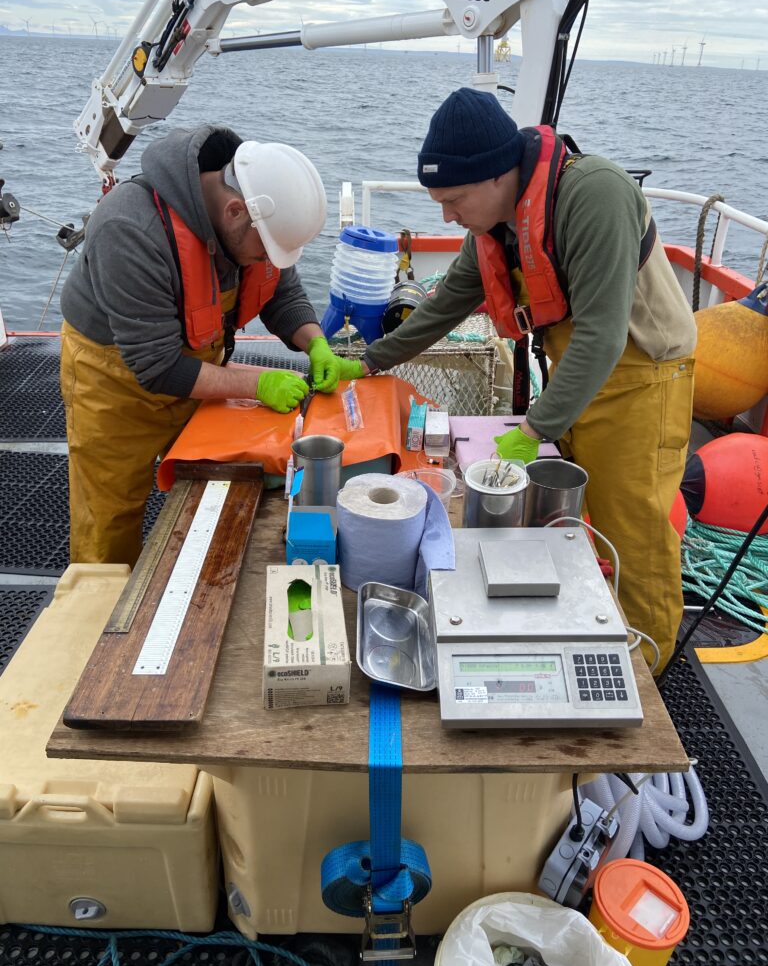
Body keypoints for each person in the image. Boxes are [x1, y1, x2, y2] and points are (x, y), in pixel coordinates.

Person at [338, 88, 697, 672]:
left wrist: (534, 430)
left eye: (453, 200)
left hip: (641, 378)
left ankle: (646, 679)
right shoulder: (497, 224)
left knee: (634, 530)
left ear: (498, 174)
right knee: (559, 515)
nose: (446, 215)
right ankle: (568, 628)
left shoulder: (596, 195)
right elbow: (446, 303)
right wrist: (371, 360)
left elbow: (604, 336)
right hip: (575, 375)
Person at [60, 124, 343, 567]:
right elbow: (156, 368)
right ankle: (101, 620)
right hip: (114, 380)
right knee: (109, 517)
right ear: (235, 212)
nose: (269, 260)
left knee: (211, 481)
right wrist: (257, 384)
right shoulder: (127, 228)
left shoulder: (254, 217)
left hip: (198, 367)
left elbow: (281, 293)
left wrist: (317, 344)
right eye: (265, 250)